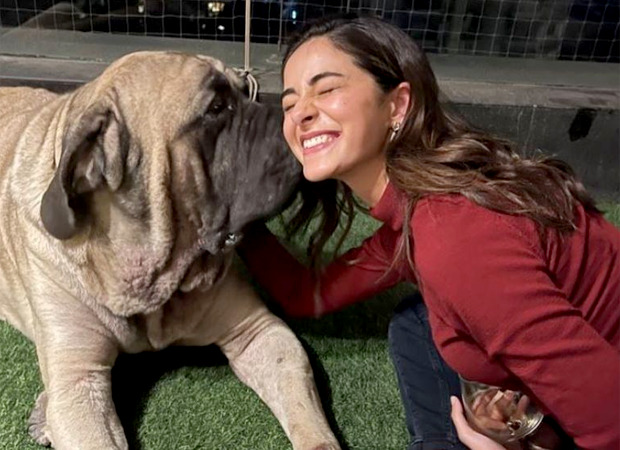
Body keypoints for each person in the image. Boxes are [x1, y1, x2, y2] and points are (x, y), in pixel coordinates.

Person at [238, 14, 620, 450]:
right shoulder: (419, 205)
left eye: (326, 90)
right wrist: (231, 223)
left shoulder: (453, 238)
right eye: (289, 104)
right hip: (573, 367)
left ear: (397, 106)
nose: (301, 113)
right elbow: (310, 293)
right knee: (416, 320)